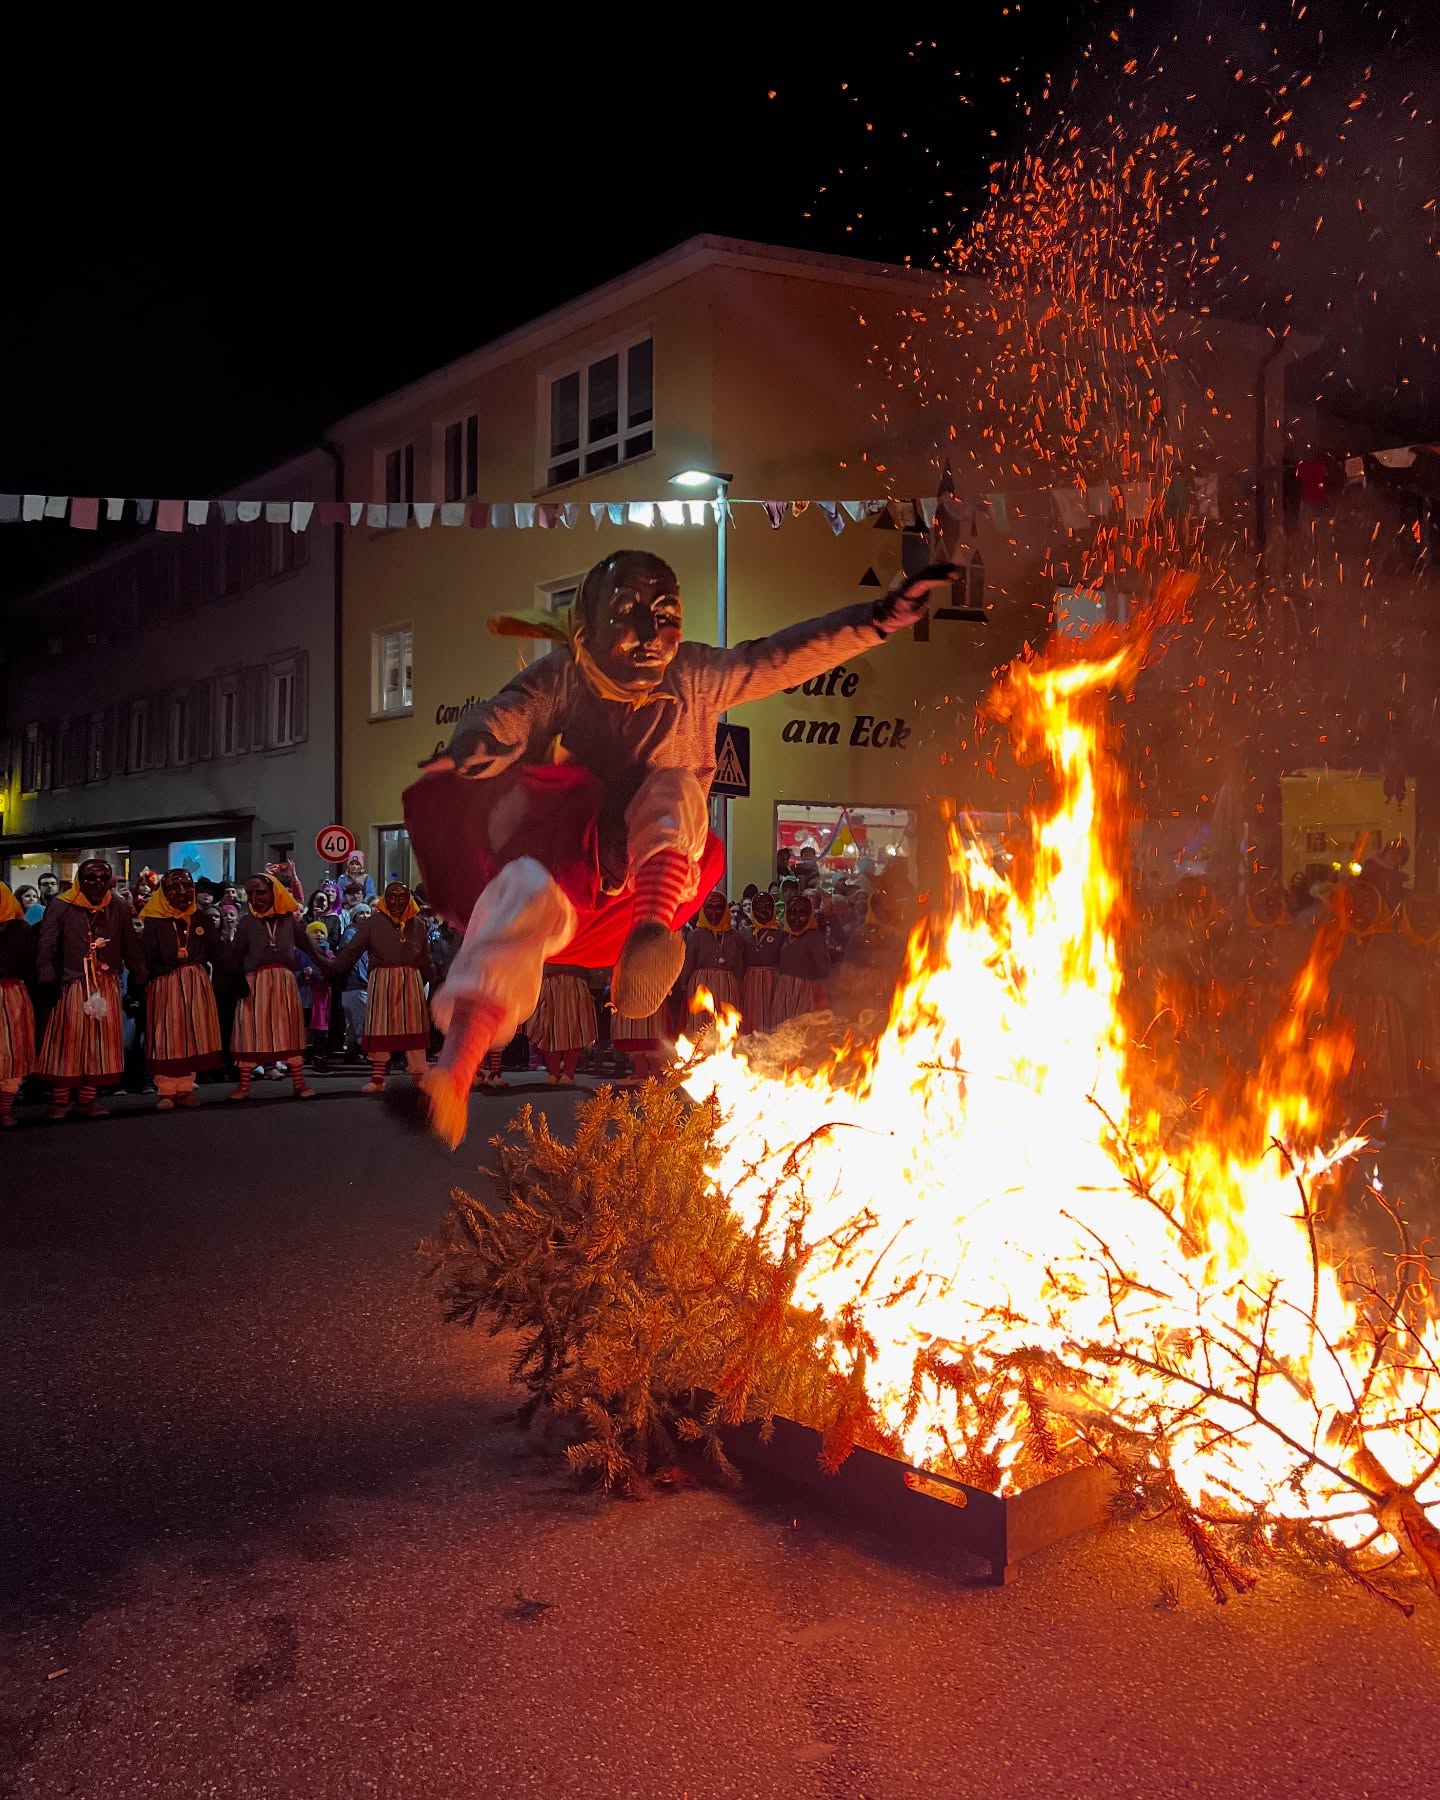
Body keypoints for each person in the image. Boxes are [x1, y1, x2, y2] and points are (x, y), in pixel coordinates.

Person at [406, 547, 955, 1144]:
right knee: (519, 889)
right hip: (577, 869)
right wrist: (478, 742)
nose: (649, 634)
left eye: (665, 614)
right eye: (627, 613)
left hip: (653, 882)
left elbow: (781, 657)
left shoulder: (694, 676)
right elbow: (506, 713)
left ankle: (650, 940)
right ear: (586, 629)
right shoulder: (563, 677)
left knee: (674, 787)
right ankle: (451, 1080)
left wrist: (878, 618)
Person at [35, 859, 145, 1119]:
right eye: (90, 878)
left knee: (98, 1043)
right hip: (71, 982)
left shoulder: (117, 905)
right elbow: (47, 943)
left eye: (103, 878)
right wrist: (46, 977)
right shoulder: (61, 905)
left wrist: (139, 973)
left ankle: (87, 1099)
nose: (97, 883)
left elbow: (129, 942)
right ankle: (60, 1100)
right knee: (67, 1041)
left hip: (106, 982)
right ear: (79, 880)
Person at [225, 873, 327, 1101]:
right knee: (249, 1032)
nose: (254, 899)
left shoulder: (289, 920)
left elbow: (310, 948)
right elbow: (234, 956)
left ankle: (299, 1083)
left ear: (274, 893)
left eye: (260, 893)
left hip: (284, 982)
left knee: (289, 1032)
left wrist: (330, 967)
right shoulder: (246, 922)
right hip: (254, 983)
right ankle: (244, 1086)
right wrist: (235, 980)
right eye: (249, 894)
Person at [327, 881, 433, 1093]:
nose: (396, 902)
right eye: (392, 897)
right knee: (380, 1029)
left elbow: (425, 958)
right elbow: (351, 950)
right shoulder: (373, 923)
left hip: (410, 981)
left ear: (409, 899)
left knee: (414, 1029)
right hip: (382, 980)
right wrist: (332, 968)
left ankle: (420, 1076)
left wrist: (435, 979)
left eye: (401, 897)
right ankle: (377, 1079)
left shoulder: (418, 925)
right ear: (385, 899)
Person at [139, 869, 222, 1111]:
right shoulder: (154, 920)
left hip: (196, 982)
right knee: (167, 1037)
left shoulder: (201, 918)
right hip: (165, 983)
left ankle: (185, 1088)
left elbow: (217, 951)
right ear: (164, 892)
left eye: (187, 886)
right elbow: (145, 956)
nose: (182, 892)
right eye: (175, 887)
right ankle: (166, 1090)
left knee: (192, 1036)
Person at [680, 889, 745, 1033]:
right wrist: (684, 984)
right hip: (701, 984)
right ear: (703, 910)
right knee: (700, 1023)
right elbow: (688, 963)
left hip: (728, 985)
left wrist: (740, 988)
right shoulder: (695, 935)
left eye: (719, 908)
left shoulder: (735, 937)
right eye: (710, 907)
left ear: (725, 910)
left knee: (726, 1021)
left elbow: (739, 967)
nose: (714, 913)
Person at [0, 883, 38, 1127]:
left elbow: (29, 964)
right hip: (12, 993)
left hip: (11, 995)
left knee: (12, 1055)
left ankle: (4, 1111)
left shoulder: (21, 929)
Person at [526, 962, 597, 1087]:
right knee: (550, 1029)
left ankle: (566, 1073)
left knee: (572, 1029)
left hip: (571, 980)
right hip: (554, 981)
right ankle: (556, 1073)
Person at [773, 891, 831, 1023]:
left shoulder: (814, 938)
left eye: (802, 914)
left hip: (806, 991)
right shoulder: (785, 936)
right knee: (782, 1025)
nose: (796, 918)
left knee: (801, 1026)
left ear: (810, 915)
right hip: (784, 989)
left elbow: (823, 969)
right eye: (792, 913)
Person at [740, 890, 784, 1033]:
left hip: (773, 979)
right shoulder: (745, 932)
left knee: (772, 1016)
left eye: (768, 907)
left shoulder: (781, 932)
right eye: (759, 907)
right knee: (751, 1014)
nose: (764, 911)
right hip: (751, 979)